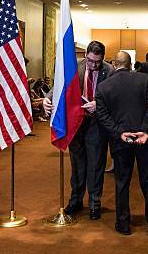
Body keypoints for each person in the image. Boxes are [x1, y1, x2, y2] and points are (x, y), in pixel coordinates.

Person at [43, 41, 113, 220]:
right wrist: (47, 99)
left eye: (97, 62)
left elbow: (115, 96)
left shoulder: (110, 71)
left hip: (97, 123)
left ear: (103, 57)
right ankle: (76, 201)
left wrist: (99, 104)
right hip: (76, 122)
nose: (94, 65)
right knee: (77, 164)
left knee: (96, 164)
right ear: (86, 55)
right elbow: (60, 86)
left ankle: (94, 203)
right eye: (90, 61)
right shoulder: (76, 67)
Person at [96, 51, 148, 236]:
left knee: (122, 182)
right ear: (131, 63)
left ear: (114, 65)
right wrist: (145, 131)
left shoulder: (103, 87)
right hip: (145, 140)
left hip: (120, 141)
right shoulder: (145, 80)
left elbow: (102, 116)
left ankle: (123, 224)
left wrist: (120, 133)